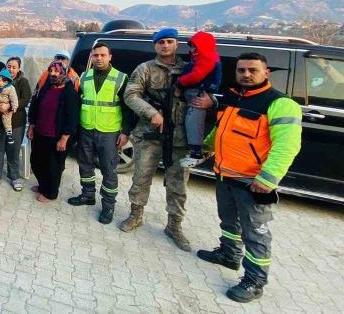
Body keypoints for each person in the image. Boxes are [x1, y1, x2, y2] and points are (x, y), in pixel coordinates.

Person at [196, 53, 302, 303]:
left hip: (252, 180)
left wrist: (268, 178)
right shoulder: (233, 96)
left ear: (266, 73)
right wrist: (207, 147)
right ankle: (229, 254)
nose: (246, 74)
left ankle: (255, 281)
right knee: (229, 219)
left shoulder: (280, 103)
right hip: (225, 173)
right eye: (242, 70)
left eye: (253, 70)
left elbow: (287, 145)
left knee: (255, 231)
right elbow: (221, 129)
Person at [119, 27, 213, 252]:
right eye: (160, 42)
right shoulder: (145, 69)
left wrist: (212, 102)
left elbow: (209, 93)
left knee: (178, 183)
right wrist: (152, 113)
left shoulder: (190, 69)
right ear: (155, 46)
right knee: (141, 177)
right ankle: (136, 215)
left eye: (169, 41)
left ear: (176, 44)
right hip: (150, 135)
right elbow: (131, 95)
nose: (165, 45)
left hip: (180, 138)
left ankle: (174, 225)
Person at [68, 43, 132, 225]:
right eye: (96, 55)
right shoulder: (85, 77)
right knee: (85, 165)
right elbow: (78, 102)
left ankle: (108, 206)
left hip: (109, 132)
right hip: (86, 128)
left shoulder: (120, 78)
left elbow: (128, 109)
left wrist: (125, 132)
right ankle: (88, 195)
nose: (99, 58)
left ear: (110, 56)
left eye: (103, 55)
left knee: (108, 170)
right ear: (91, 56)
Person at [27, 61, 80, 202]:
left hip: (56, 136)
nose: (52, 74)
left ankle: (50, 193)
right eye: (50, 71)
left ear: (64, 73)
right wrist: (31, 125)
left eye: (56, 71)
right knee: (36, 162)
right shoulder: (45, 88)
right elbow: (35, 106)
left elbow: (73, 118)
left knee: (53, 167)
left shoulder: (70, 93)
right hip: (40, 133)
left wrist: (64, 138)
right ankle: (43, 185)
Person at [176, 31, 222, 167]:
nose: (192, 49)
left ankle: (196, 152)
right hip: (194, 94)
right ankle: (195, 152)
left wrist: (180, 81)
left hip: (198, 94)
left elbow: (196, 75)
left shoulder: (206, 59)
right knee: (193, 122)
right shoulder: (200, 58)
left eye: (195, 46)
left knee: (193, 122)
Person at [0, 57, 32, 191]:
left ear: (19, 68)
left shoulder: (23, 82)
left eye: (14, 67)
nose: (11, 69)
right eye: (9, 66)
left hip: (16, 123)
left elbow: (26, 98)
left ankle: (14, 176)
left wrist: (10, 106)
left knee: (13, 150)